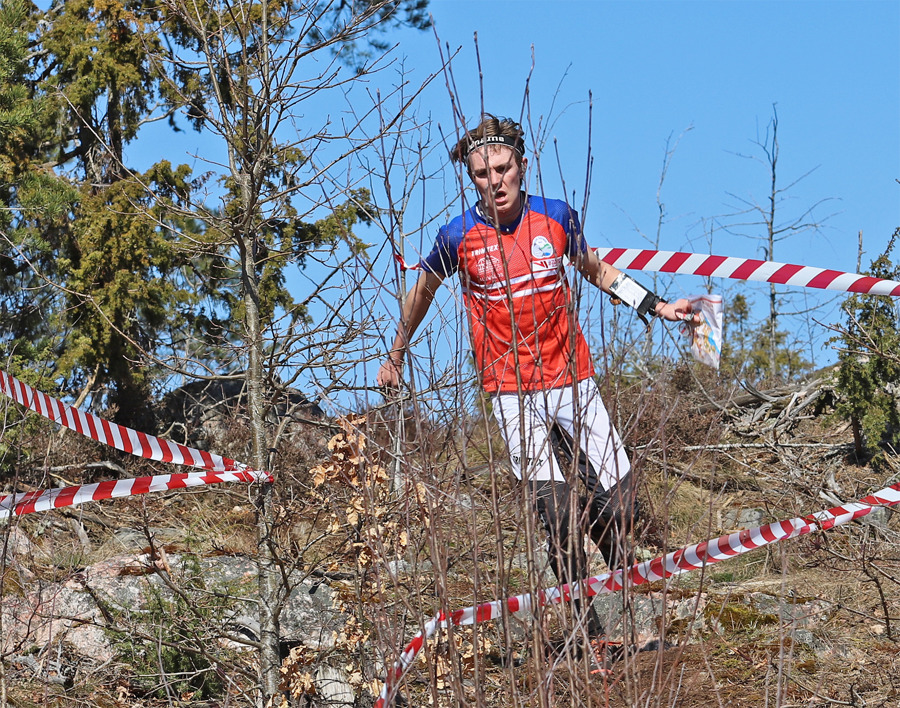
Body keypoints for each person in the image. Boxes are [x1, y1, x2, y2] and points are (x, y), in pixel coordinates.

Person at [377, 114, 696, 644]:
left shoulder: (557, 218)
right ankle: (588, 629)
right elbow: (424, 292)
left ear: (522, 167)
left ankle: (637, 611)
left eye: (502, 169)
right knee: (559, 517)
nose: (494, 182)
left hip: (573, 377)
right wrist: (396, 352)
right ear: (472, 179)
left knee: (621, 508)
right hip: (511, 392)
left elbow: (596, 271)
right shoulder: (457, 236)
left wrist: (657, 305)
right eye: (482, 174)